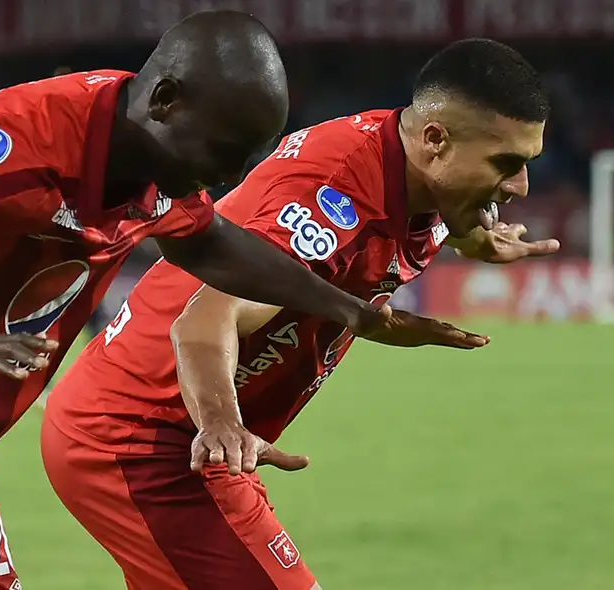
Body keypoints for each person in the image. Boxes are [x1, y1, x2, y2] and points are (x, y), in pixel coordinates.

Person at [0, 11, 424, 590]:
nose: (225, 175)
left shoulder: (157, 164)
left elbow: (211, 243)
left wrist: (348, 309)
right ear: (165, 101)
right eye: (224, 151)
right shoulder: (11, 144)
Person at [41, 38, 559, 590]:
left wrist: (474, 237)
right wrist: (222, 425)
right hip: (146, 441)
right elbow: (203, 319)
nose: (521, 186)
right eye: (507, 164)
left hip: (174, 436)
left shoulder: (414, 171)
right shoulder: (332, 200)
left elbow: (406, 226)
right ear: (436, 140)